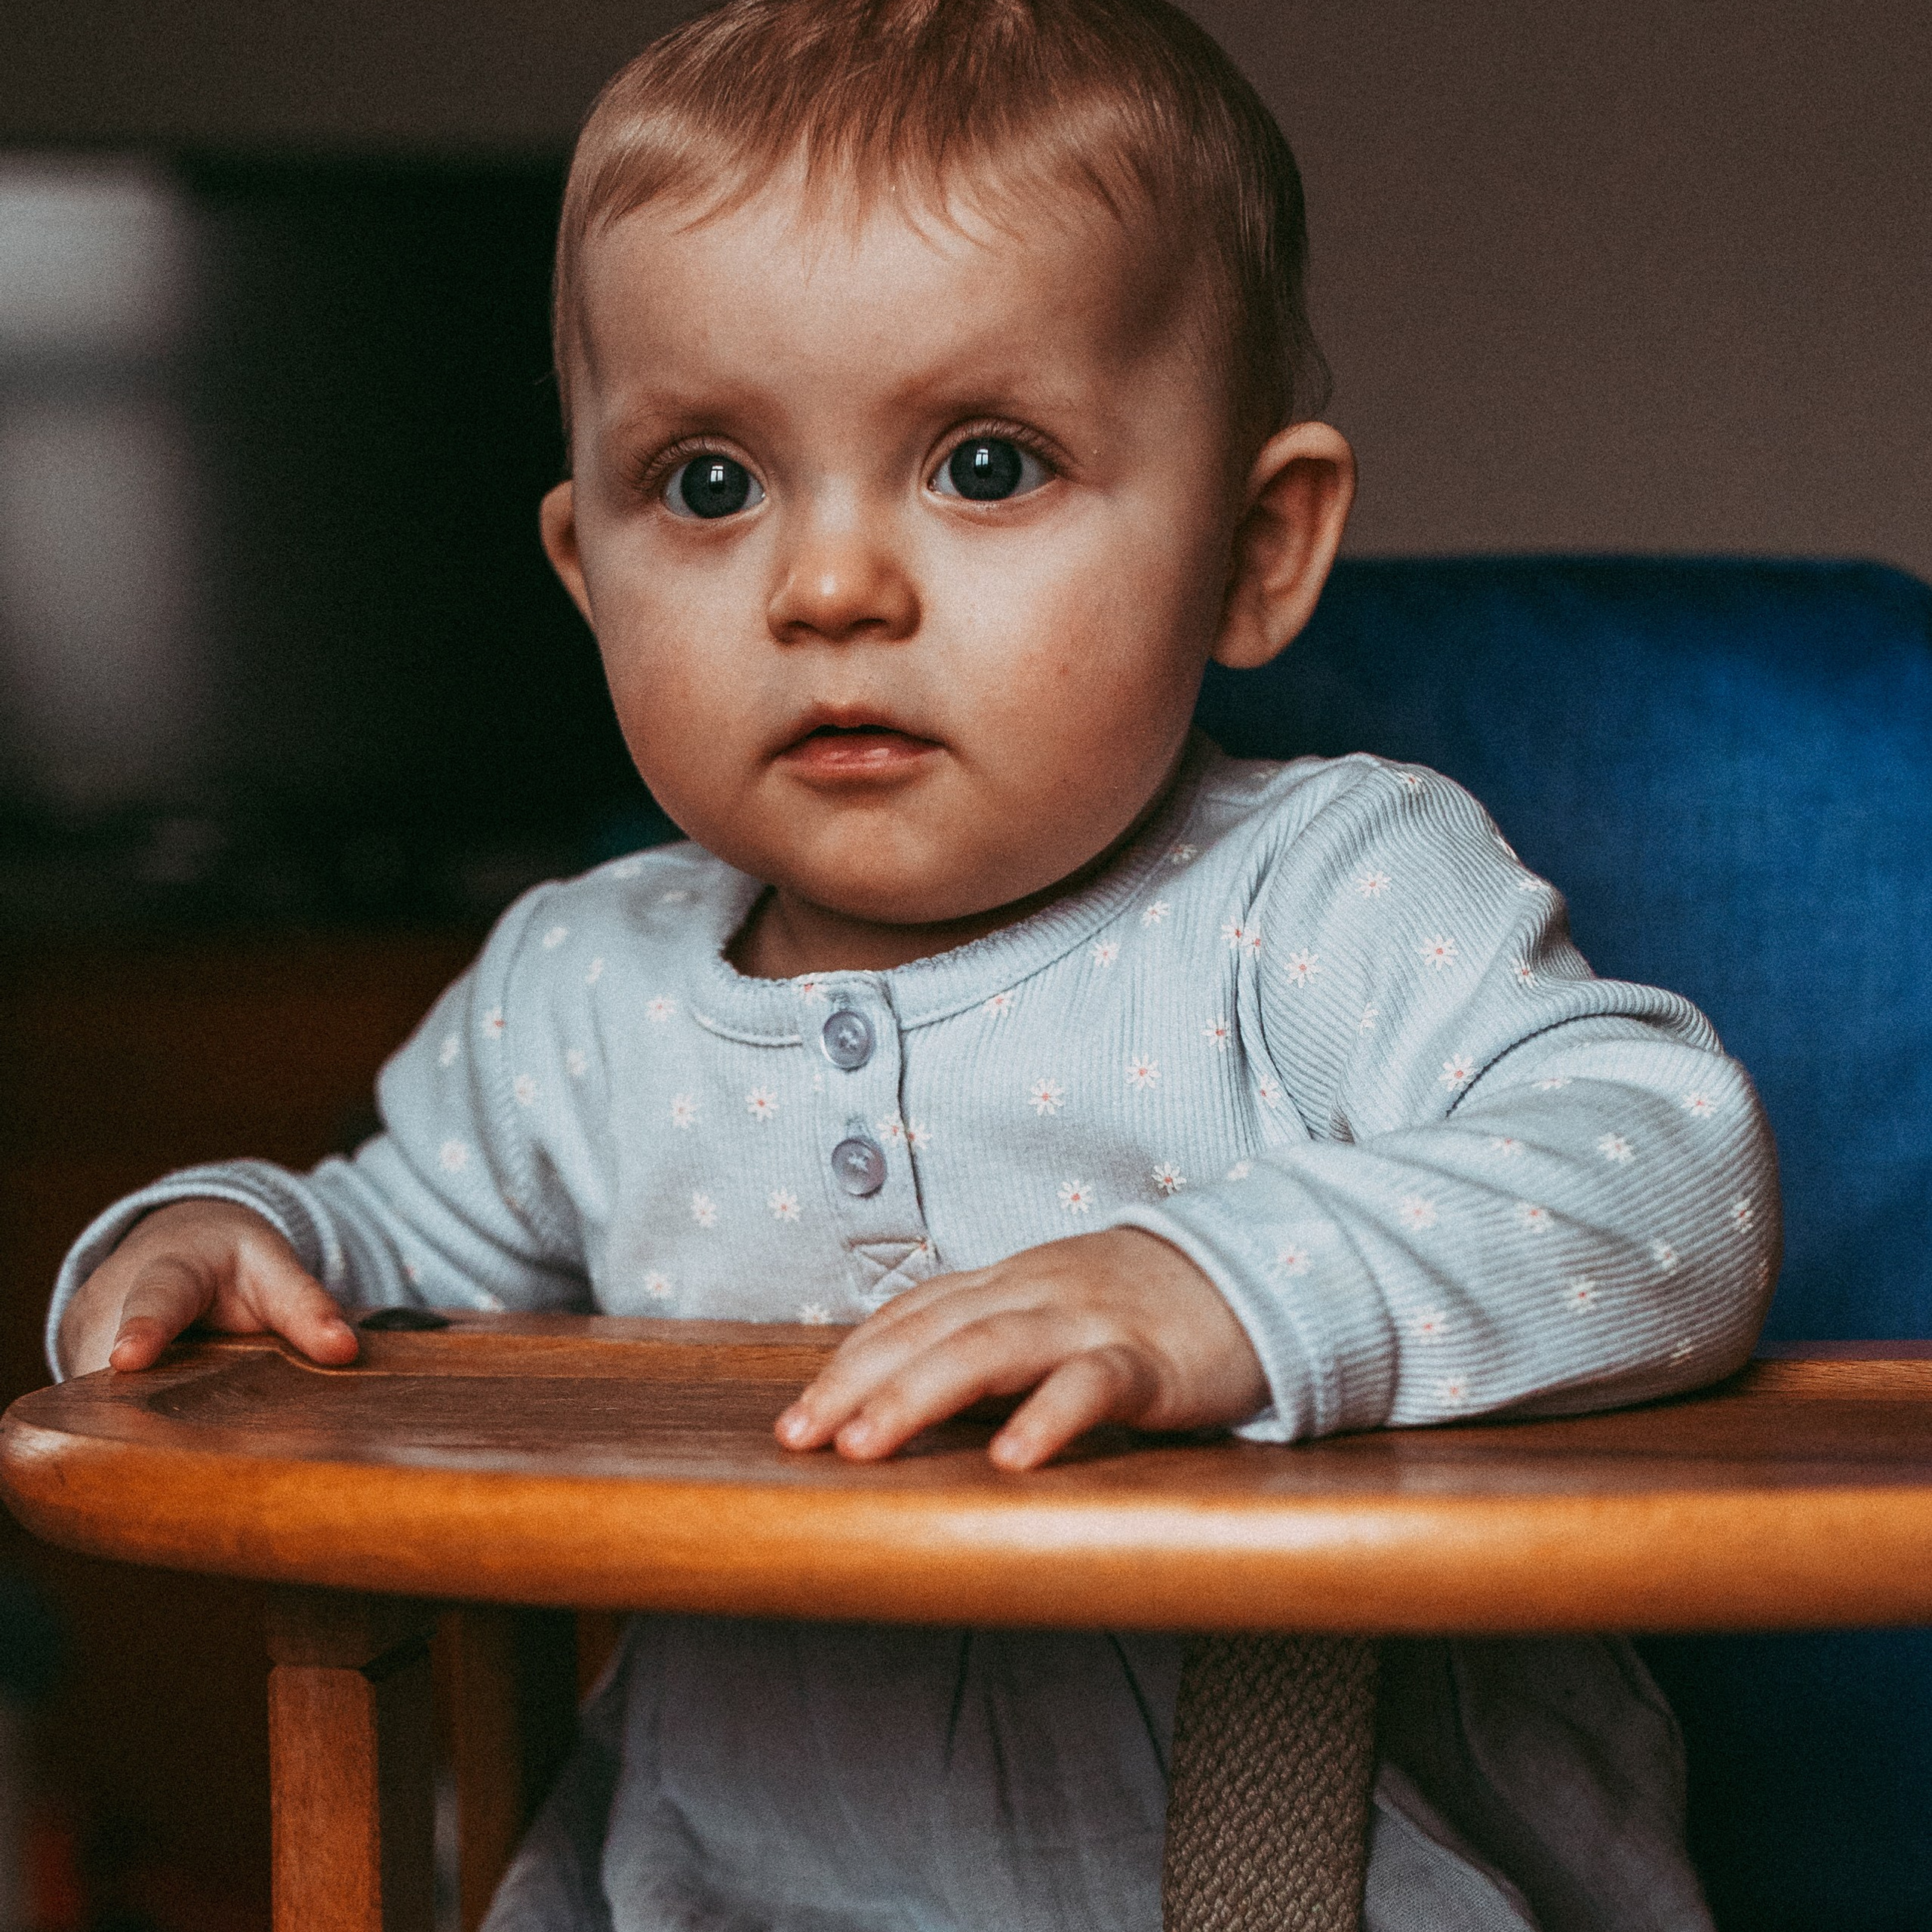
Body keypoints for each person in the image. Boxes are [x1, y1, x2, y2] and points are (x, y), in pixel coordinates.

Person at [47, 2, 1777, 1925]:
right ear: (582, 569)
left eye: (981, 461)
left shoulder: (1321, 893)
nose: (829, 586)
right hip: (731, 1872)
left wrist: (1221, 1291)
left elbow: (1664, 1174)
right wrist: (229, 1232)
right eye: (708, 485)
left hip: (1291, 1857)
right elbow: (378, 1265)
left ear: (1252, 549)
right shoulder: (582, 989)